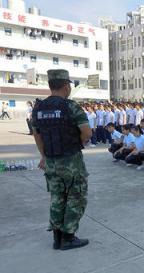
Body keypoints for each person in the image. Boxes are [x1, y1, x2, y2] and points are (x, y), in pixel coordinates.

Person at [31, 69, 91, 250]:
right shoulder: (70, 106)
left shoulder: (38, 108)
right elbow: (87, 133)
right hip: (71, 161)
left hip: (51, 161)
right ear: (66, 86)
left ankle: (57, 238)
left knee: (57, 197)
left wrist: (44, 156)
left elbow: (37, 135)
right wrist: (74, 145)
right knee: (76, 197)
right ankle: (68, 237)